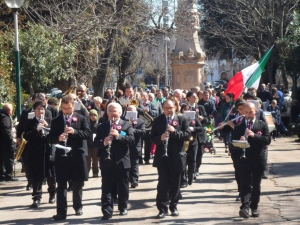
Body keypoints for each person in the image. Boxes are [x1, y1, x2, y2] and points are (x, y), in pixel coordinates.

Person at [49, 95, 91, 221]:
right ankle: (61, 212)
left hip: (77, 156)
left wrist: (75, 132)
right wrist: (58, 138)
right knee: (61, 185)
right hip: (61, 156)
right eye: (64, 108)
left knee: (77, 184)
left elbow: (88, 134)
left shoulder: (81, 118)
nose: (67, 111)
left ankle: (78, 206)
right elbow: (50, 137)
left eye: (69, 108)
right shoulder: (56, 121)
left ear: (73, 106)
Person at [150, 99, 191, 218]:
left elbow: (187, 135)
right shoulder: (158, 120)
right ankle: (162, 209)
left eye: (170, 108)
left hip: (177, 157)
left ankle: (174, 206)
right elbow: (152, 137)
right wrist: (160, 138)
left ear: (175, 107)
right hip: (162, 157)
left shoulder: (182, 119)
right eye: (166, 108)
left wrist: (174, 132)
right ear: (162, 108)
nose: (168, 110)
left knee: (175, 184)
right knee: (163, 183)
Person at [94, 102, 134, 220]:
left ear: (120, 113)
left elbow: (131, 140)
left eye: (115, 111)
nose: (112, 113)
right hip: (107, 161)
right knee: (107, 187)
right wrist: (104, 142)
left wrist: (118, 136)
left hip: (122, 161)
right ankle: (107, 211)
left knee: (123, 186)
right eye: (110, 111)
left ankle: (123, 207)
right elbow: (96, 142)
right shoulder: (102, 126)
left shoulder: (126, 125)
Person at [231, 102, 271, 218]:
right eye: (246, 112)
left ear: (255, 112)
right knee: (245, 184)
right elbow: (232, 145)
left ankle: (254, 206)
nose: (248, 114)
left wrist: (254, 136)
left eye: (251, 112)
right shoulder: (239, 127)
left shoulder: (262, 125)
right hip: (244, 160)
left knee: (256, 185)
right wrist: (240, 142)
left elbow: (267, 140)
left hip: (258, 159)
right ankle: (245, 206)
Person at [23, 100, 56, 208]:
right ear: (34, 110)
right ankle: (36, 198)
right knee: (37, 176)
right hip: (36, 152)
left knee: (51, 175)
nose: (40, 111)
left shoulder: (50, 120)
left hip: (48, 151)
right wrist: (36, 130)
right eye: (38, 109)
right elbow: (26, 136)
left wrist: (48, 128)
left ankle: (52, 194)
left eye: (42, 109)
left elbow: (55, 136)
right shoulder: (30, 122)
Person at [17, 93, 52, 190]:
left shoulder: (48, 113)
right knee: (29, 164)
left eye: (42, 107)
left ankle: (49, 187)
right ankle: (30, 182)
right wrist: (18, 136)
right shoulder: (26, 112)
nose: (40, 110)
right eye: (36, 102)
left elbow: (53, 128)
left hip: (45, 145)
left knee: (47, 169)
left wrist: (47, 126)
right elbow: (21, 126)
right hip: (31, 143)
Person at [180, 104, 204, 187]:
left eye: (188, 109)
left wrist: (193, 128)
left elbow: (201, 128)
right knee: (183, 161)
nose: (186, 111)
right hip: (183, 142)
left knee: (193, 160)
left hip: (193, 142)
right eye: (185, 109)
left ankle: (191, 175)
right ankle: (183, 179)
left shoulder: (194, 118)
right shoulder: (179, 118)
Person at [127, 105, 145, 188]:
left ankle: (134, 180)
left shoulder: (140, 121)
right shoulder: (123, 120)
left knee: (134, 164)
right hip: (125, 146)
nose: (131, 112)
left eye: (132, 111)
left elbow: (142, 132)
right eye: (129, 110)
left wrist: (132, 130)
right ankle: (127, 179)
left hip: (135, 146)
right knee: (126, 164)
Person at [0, 103, 18, 182]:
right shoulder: (5, 117)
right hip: (6, 142)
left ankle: (2, 176)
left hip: (2, 142)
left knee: (2, 160)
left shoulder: (2, 115)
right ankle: (8, 175)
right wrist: (11, 140)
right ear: (9, 110)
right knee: (9, 159)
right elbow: (6, 130)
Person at [141, 91, 158, 164]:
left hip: (149, 127)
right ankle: (139, 159)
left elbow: (156, 113)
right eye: (142, 96)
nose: (143, 98)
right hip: (141, 126)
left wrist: (149, 111)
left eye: (144, 96)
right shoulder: (138, 104)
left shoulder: (152, 104)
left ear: (147, 97)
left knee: (148, 144)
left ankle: (147, 159)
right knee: (139, 144)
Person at [86, 109, 100, 177]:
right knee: (87, 160)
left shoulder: (99, 124)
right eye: (91, 115)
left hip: (96, 144)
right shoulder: (87, 123)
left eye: (94, 115)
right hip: (88, 144)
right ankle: (87, 172)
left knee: (95, 160)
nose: (93, 117)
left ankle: (95, 172)